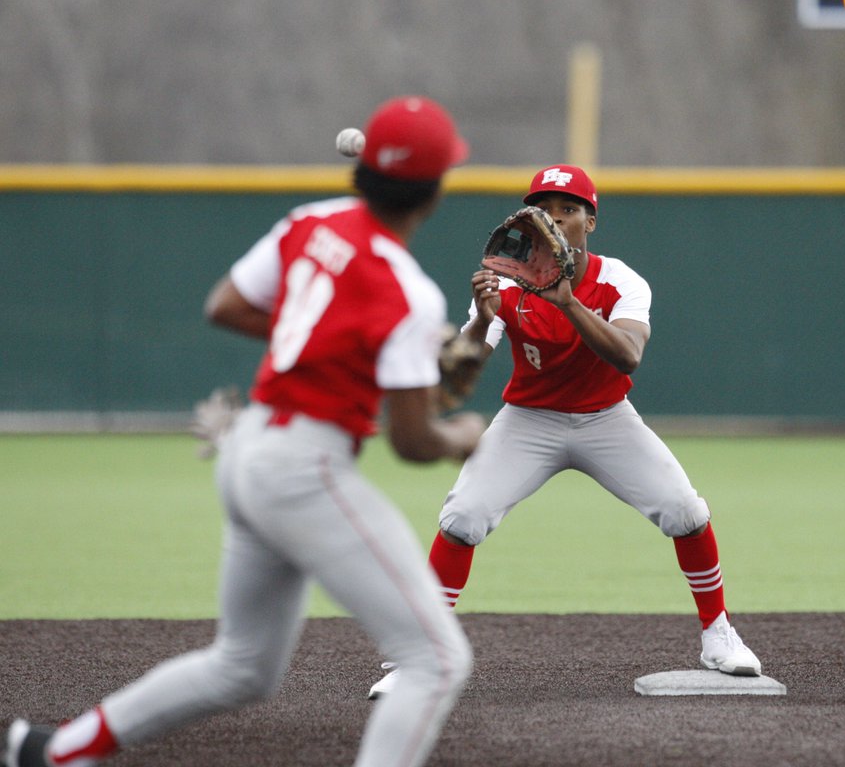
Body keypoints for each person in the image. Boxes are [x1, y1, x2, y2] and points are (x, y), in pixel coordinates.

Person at [4, 97, 487, 767]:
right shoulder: (408, 293)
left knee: (243, 665)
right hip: (302, 471)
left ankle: (56, 751)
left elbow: (225, 305)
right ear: (433, 192)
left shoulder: (309, 222)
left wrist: (340, 345)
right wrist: (462, 436)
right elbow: (412, 442)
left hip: (247, 448)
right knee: (437, 660)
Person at [368, 164, 761, 700]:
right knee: (462, 517)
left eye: (569, 210)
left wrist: (568, 301)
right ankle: (421, 657)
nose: (555, 220)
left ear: (590, 222)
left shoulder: (620, 280)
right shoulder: (508, 280)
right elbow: (463, 367)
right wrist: (481, 318)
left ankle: (718, 635)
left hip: (605, 417)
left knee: (686, 512)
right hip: (529, 420)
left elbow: (628, 356)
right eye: (544, 211)